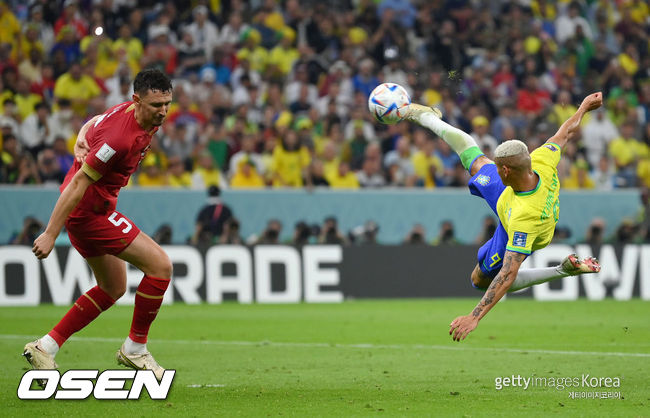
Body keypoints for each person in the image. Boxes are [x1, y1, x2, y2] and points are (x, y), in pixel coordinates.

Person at [405, 92, 604, 342]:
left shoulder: (524, 220)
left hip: (519, 221)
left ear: (506, 170)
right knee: (474, 159)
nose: (494, 168)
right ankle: (428, 117)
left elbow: (508, 275)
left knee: (479, 279)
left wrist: (474, 316)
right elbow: (565, 132)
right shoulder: (541, 159)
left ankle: (561, 270)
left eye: (498, 166)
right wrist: (584, 107)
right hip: (511, 194)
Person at [24, 68, 174, 381]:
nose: (162, 112)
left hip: (92, 208)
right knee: (160, 267)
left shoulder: (134, 114)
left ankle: (46, 347)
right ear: (136, 101)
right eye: (155, 105)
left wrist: (80, 139)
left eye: (166, 104)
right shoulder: (120, 139)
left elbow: (93, 123)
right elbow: (78, 182)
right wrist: (52, 233)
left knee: (113, 287)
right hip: (91, 212)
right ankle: (135, 348)